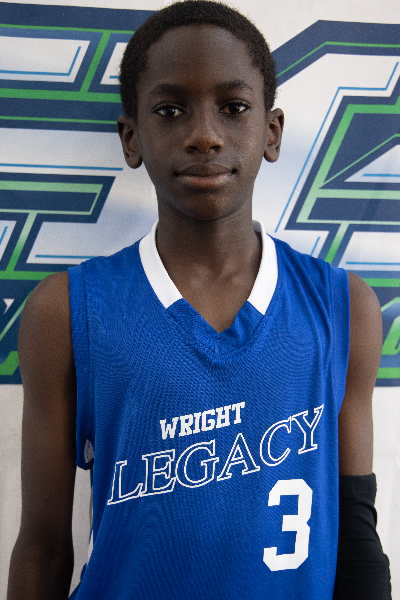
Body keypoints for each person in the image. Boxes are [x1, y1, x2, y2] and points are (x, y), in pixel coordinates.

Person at [7, 1, 391, 599]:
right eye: (170, 110)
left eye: (233, 108)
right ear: (131, 137)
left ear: (271, 132)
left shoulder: (343, 308)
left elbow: (356, 536)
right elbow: (43, 549)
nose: (205, 136)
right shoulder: (66, 311)